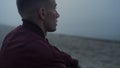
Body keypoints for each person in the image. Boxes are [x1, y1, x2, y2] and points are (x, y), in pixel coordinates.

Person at [0, 0, 81, 68]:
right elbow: (49, 54)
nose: (58, 15)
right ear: (42, 13)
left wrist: (72, 62)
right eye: (54, 8)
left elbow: (55, 52)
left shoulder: (10, 36)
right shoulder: (47, 56)